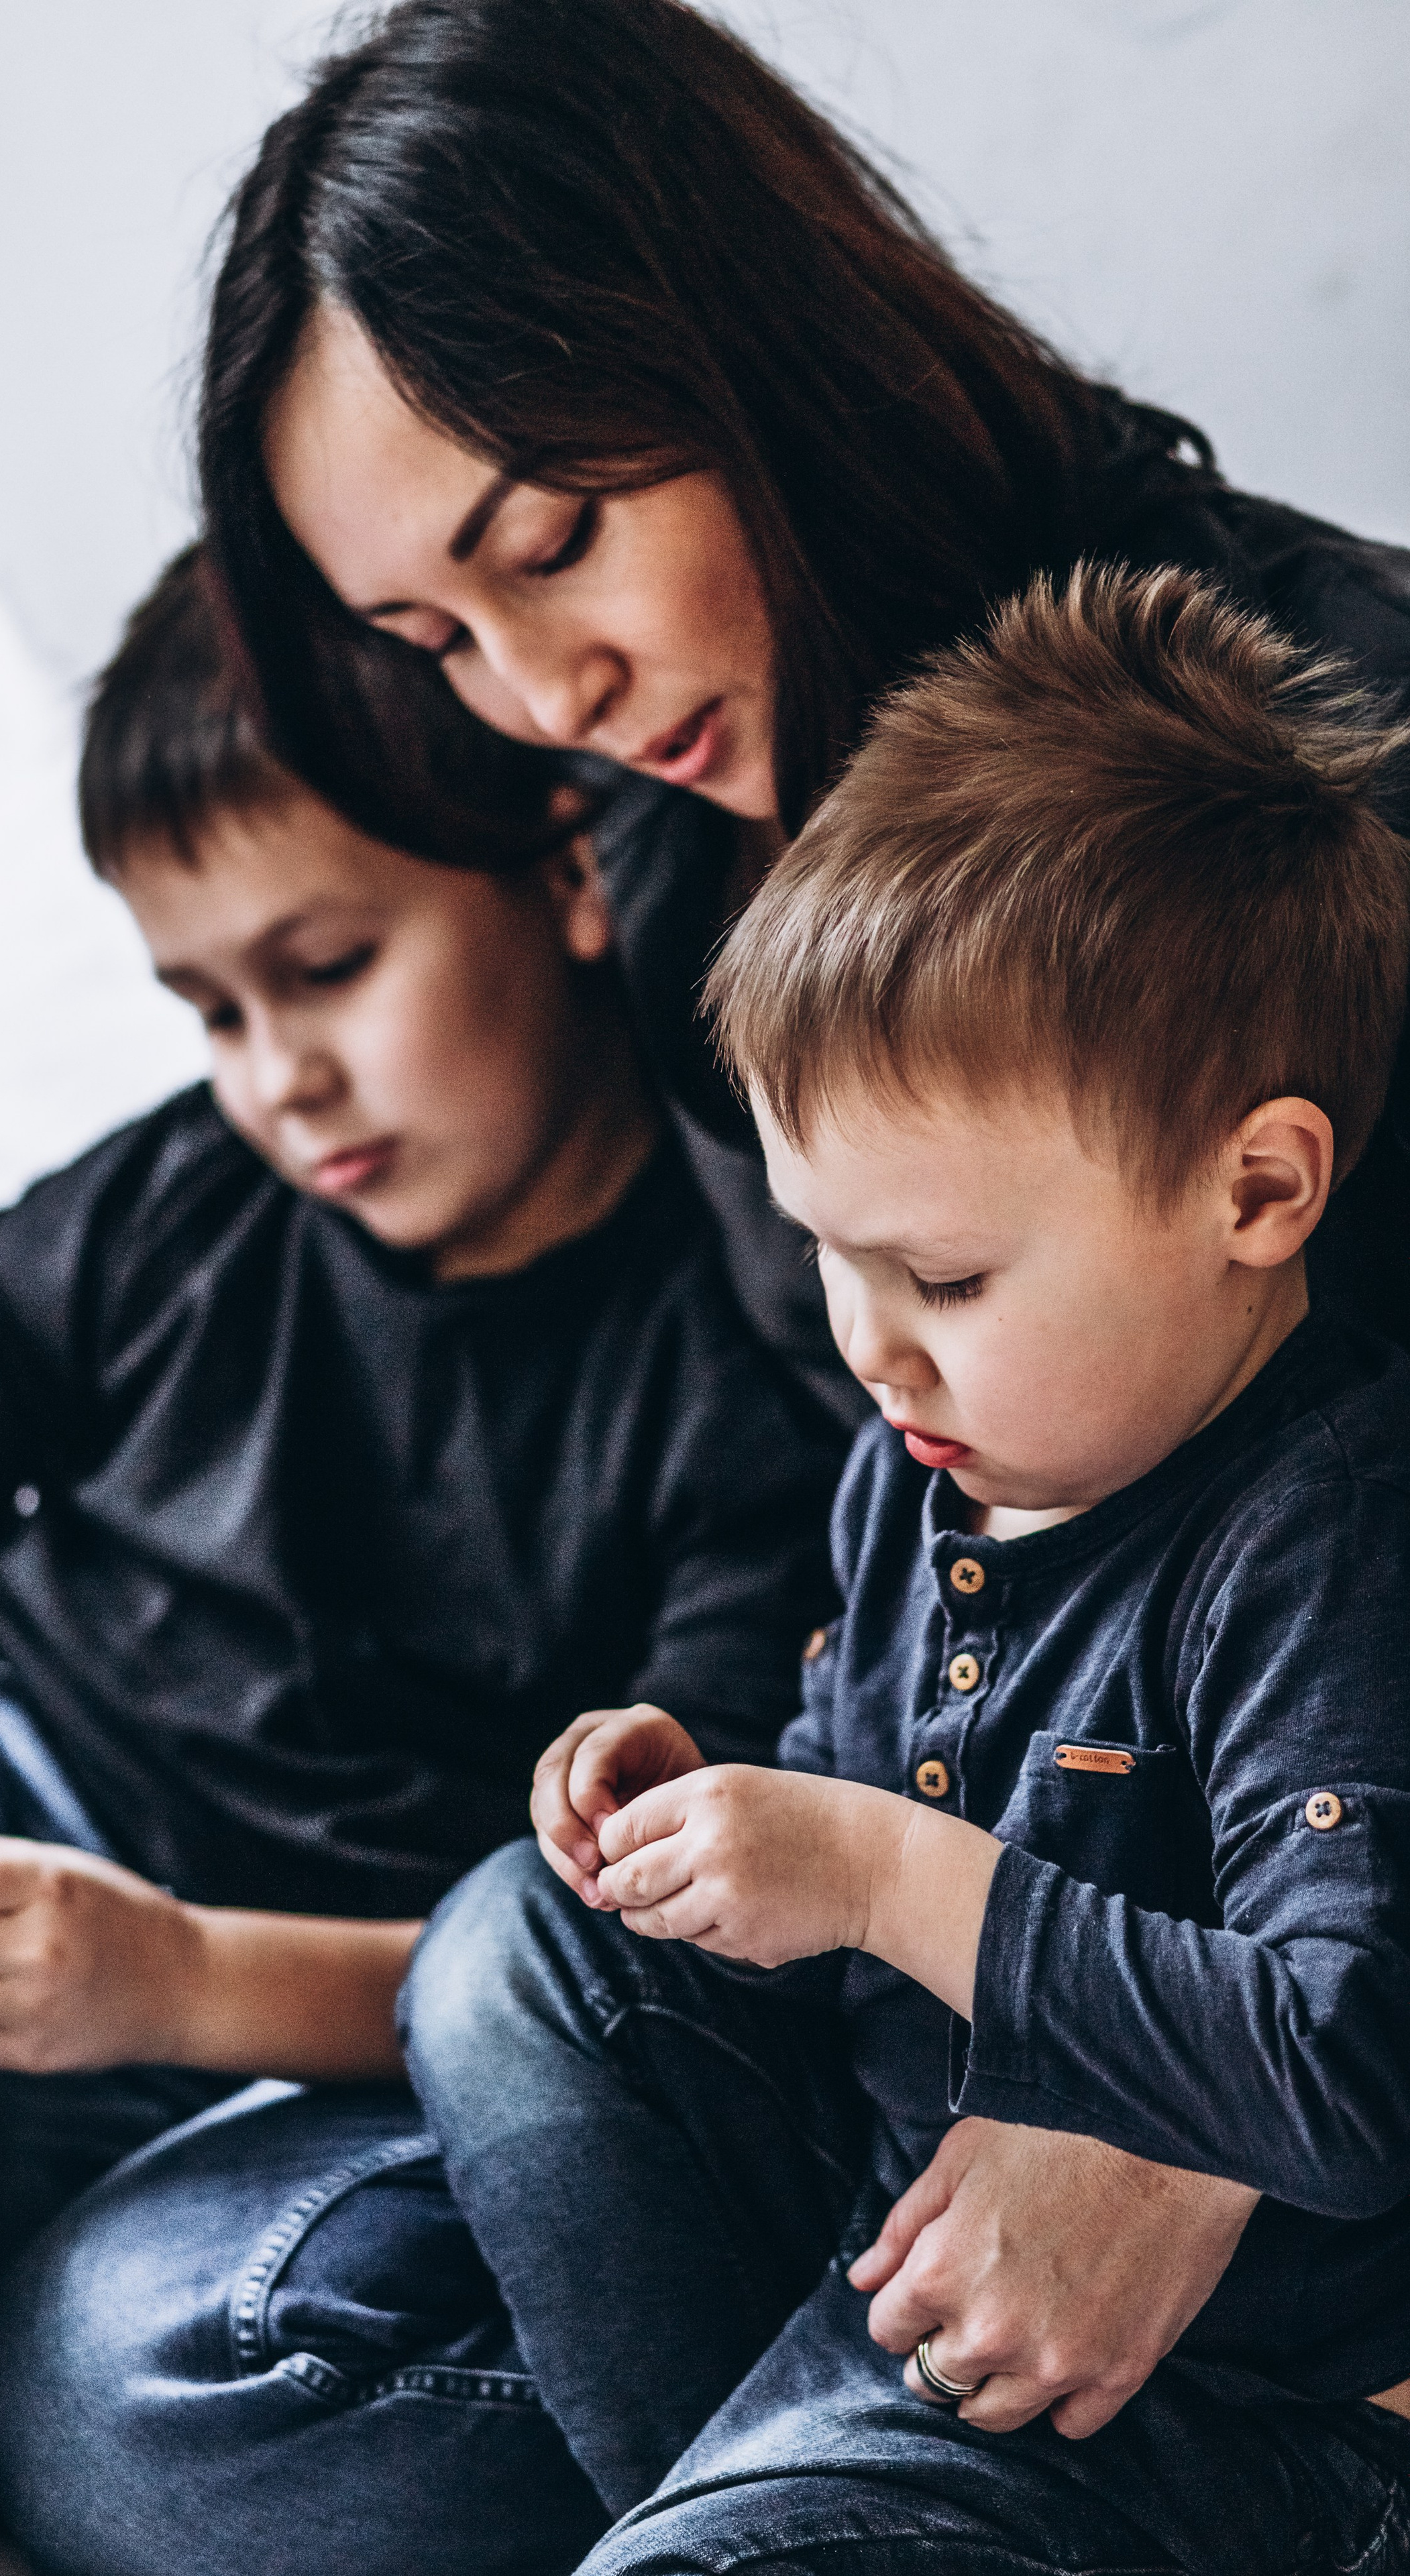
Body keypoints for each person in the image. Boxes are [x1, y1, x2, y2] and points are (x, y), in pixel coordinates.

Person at [192, 0, 1410, 2473]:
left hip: (1293, 2009)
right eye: (432, 636)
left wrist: (1175, 2106)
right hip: (930, 2000)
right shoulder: (672, 868)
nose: (542, 687)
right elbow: (859, 1531)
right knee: (174, 2360)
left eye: (552, 542)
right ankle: (858, 2480)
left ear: (759, 346)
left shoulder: (1319, 772)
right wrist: (704, 1781)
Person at [0, 546, 842, 2576]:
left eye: (326, 969)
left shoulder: (746, 1371)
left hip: (318, 2027)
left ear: (572, 869)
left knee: (127, 2377)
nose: (273, 1075)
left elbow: (617, 1978)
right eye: (208, 1006)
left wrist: (171, 1978)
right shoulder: (174, 1204)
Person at [404, 563, 1410, 2574]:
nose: (869, 1343)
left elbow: (1348, 2066)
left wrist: (877, 1866)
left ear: (1259, 1187)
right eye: (821, 1252)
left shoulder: (1323, 1530)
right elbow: (852, 1777)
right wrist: (724, 1818)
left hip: (1238, 2404)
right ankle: (764, 2498)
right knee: (517, 1945)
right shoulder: (930, 1457)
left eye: (942, 1273)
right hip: (897, 2244)